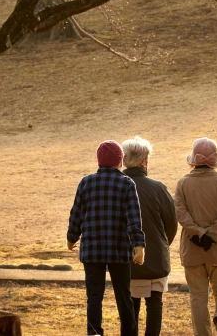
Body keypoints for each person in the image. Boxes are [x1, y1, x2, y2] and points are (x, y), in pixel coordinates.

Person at [67, 140, 146, 336]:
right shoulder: (127, 184)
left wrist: (71, 237)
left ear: (99, 161)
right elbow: (133, 218)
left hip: (92, 251)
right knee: (123, 296)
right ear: (120, 161)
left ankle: (94, 333)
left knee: (94, 295)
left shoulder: (86, 182)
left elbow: (76, 213)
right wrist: (139, 246)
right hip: (119, 250)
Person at [174, 137, 217, 336]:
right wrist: (212, 235)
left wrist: (198, 233)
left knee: (198, 297)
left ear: (194, 159)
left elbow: (180, 213)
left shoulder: (183, 183)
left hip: (193, 251)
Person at [122, 136, 177, 336]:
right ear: (144, 161)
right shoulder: (158, 188)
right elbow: (171, 223)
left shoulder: (117, 187)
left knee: (131, 305)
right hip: (155, 258)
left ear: (124, 160)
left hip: (125, 260)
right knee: (155, 303)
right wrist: (161, 245)